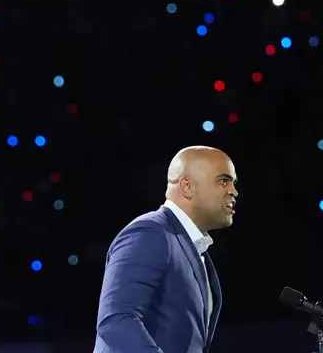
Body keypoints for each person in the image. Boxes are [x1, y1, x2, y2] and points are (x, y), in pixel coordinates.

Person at [93, 146, 238, 353]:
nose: (233, 191)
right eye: (223, 181)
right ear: (187, 187)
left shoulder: (190, 245)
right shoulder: (150, 233)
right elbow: (116, 320)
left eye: (233, 182)